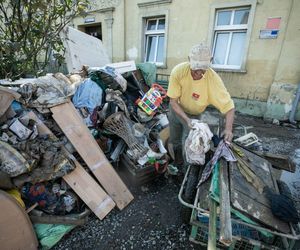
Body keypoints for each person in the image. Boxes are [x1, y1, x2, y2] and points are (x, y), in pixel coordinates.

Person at [167, 43, 235, 170]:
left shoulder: (213, 80)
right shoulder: (178, 72)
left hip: (194, 115)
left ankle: (186, 173)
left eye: (202, 69)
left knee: (190, 143)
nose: (198, 73)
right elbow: (173, 101)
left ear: (210, 63)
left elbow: (229, 106)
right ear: (189, 60)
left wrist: (228, 129)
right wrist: (187, 120)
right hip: (176, 110)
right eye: (195, 68)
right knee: (175, 139)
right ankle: (177, 163)